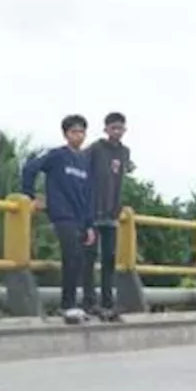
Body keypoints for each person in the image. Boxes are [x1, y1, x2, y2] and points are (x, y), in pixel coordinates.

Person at [21, 114, 94, 325]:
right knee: (71, 256)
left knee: (79, 260)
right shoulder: (57, 155)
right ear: (66, 134)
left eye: (81, 132)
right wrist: (30, 195)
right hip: (62, 214)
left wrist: (89, 225)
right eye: (74, 132)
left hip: (80, 218)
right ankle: (67, 306)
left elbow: (88, 194)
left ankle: (73, 304)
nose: (78, 136)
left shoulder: (84, 161)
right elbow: (30, 168)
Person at [83, 112, 134, 321]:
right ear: (106, 129)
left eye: (120, 128)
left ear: (125, 130)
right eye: (113, 128)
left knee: (109, 259)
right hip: (93, 211)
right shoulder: (95, 149)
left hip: (112, 212)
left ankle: (108, 302)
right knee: (89, 257)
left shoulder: (124, 152)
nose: (117, 132)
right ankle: (89, 301)